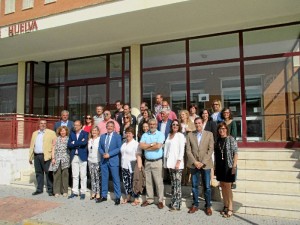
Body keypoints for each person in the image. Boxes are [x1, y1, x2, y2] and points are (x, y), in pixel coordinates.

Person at [186, 117, 214, 216]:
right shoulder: (190, 134)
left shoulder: (209, 134)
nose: (198, 125)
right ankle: (195, 204)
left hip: (205, 165)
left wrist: (202, 162)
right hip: (194, 165)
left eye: (199, 123)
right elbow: (188, 151)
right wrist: (195, 162)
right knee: (194, 186)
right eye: (196, 123)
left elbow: (210, 150)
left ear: (202, 123)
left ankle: (208, 206)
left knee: (207, 186)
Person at [140, 119, 165, 209]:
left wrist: (147, 146)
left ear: (156, 125)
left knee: (158, 182)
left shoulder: (160, 134)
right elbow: (141, 146)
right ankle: (149, 199)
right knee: (148, 182)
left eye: (154, 124)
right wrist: (151, 145)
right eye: (150, 124)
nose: (152, 125)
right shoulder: (145, 134)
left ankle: (160, 200)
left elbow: (158, 146)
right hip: (147, 161)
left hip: (157, 161)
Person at [215, 122, 238, 218]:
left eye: (224, 129)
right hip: (220, 166)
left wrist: (234, 166)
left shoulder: (231, 139)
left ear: (226, 130)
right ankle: (225, 205)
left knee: (228, 187)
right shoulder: (217, 140)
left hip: (228, 166)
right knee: (223, 186)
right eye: (220, 129)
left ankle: (230, 208)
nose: (222, 130)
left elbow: (236, 153)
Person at [29, 120, 56, 196]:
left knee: (48, 173)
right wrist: (30, 157)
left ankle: (50, 190)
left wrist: (53, 156)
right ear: (39, 124)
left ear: (46, 125)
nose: (43, 125)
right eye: (41, 123)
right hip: (37, 156)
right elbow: (32, 146)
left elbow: (55, 145)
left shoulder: (51, 133)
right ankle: (39, 189)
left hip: (46, 156)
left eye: (44, 123)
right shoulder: (35, 133)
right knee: (38, 173)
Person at [97, 121, 122, 205]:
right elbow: (99, 147)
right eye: (108, 126)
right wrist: (103, 153)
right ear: (106, 127)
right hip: (104, 160)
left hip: (113, 160)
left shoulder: (117, 136)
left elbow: (119, 148)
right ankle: (103, 196)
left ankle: (117, 197)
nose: (110, 127)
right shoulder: (102, 136)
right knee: (104, 179)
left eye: (111, 126)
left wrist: (109, 154)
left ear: (114, 127)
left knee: (116, 179)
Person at [163, 119, 185, 211]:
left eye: (176, 124)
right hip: (170, 163)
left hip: (177, 164)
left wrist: (178, 161)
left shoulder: (180, 135)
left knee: (177, 185)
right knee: (173, 184)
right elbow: (166, 150)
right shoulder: (168, 135)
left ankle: (177, 204)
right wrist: (165, 161)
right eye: (173, 124)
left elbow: (181, 149)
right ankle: (173, 202)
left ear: (179, 126)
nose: (175, 126)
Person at [120, 127, 142, 205]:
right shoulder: (124, 143)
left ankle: (136, 198)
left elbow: (138, 155)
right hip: (124, 165)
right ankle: (128, 196)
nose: (128, 134)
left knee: (134, 182)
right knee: (126, 182)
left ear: (133, 134)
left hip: (132, 165)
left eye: (129, 133)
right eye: (127, 133)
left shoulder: (136, 144)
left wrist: (139, 167)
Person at [67, 120, 89, 200]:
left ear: (81, 126)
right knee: (75, 175)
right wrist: (78, 143)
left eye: (77, 125)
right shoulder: (72, 133)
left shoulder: (85, 133)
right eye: (74, 125)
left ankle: (83, 192)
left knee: (83, 175)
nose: (75, 126)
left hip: (82, 156)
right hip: (74, 156)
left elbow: (84, 143)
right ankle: (75, 192)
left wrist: (74, 143)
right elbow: (69, 144)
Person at [200, 109, 218, 187]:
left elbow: (215, 136)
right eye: (203, 113)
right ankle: (203, 181)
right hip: (201, 147)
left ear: (208, 114)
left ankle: (211, 180)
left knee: (210, 163)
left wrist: (212, 146)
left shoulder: (212, 123)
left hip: (209, 147)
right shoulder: (200, 123)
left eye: (206, 113)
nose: (204, 115)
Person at [221, 108, 238, 189]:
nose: (226, 114)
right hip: (223, 144)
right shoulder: (222, 123)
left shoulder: (233, 122)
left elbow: (234, 134)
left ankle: (233, 181)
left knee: (232, 163)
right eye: (224, 112)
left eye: (227, 112)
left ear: (230, 113)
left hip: (231, 144)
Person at [52, 126, 70, 197]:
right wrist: (53, 158)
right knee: (57, 175)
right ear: (59, 132)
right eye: (61, 131)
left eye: (64, 131)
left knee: (65, 175)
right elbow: (53, 148)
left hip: (65, 159)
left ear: (66, 132)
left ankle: (65, 191)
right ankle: (57, 191)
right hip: (57, 159)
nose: (63, 132)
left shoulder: (68, 139)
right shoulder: (56, 139)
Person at [179, 110, 195, 186]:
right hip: (180, 145)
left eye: (183, 114)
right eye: (181, 114)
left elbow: (195, 132)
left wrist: (190, 130)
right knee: (181, 162)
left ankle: (187, 179)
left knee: (188, 162)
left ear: (187, 115)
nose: (182, 116)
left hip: (188, 145)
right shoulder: (179, 124)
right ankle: (182, 180)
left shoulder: (191, 123)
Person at [88, 126, 101, 201]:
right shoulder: (89, 140)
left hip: (97, 160)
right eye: (93, 130)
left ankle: (98, 192)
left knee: (97, 177)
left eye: (96, 130)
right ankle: (93, 192)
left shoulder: (99, 139)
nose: (94, 132)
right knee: (92, 177)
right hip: (90, 160)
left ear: (98, 132)